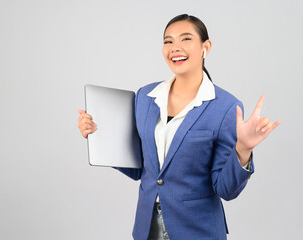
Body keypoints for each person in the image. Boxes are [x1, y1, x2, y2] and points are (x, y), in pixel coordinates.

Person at [77, 14, 281, 240]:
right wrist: (98, 133)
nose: (175, 47)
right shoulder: (145, 97)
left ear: (206, 47)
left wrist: (243, 149)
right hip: (147, 228)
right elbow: (140, 168)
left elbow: (225, 189)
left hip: (197, 231)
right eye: (168, 41)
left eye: (185, 39)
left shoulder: (226, 107)